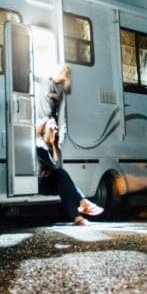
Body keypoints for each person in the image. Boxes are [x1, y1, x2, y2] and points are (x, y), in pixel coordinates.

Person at [37, 64, 104, 225]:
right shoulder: (42, 82)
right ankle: (81, 204)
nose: (65, 75)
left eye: (66, 74)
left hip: (46, 171)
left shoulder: (60, 93)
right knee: (60, 175)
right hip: (38, 177)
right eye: (64, 72)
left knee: (61, 175)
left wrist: (56, 143)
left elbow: (62, 121)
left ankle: (78, 214)